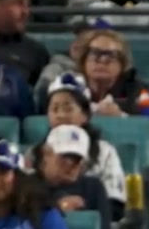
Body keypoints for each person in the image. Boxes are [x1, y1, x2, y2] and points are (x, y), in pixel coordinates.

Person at [44, 71, 125, 219]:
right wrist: (59, 206)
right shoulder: (36, 153)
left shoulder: (104, 151)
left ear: (85, 115)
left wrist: (81, 211)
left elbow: (115, 205)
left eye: (68, 109)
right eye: (54, 109)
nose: (60, 115)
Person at [32, 126, 112, 229]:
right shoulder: (28, 185)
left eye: (78, 159)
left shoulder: (93, 187)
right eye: (67, 158)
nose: (74, 165)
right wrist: (59, 209)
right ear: (46, 153)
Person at [76, 26, 148, 116]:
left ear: (122, 64)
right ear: (83, 61)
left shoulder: (142, 93)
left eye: (111, 55)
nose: (102, 60)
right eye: (94, 53)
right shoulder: (70, 88)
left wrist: (121, 117)